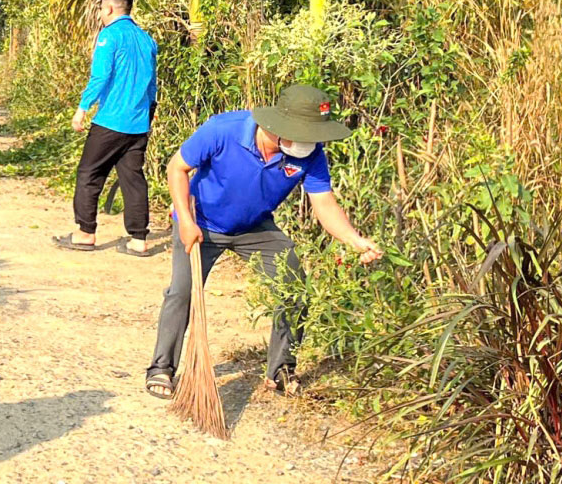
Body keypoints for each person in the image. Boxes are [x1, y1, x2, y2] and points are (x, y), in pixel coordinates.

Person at [146, 84, 384, 400]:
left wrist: (355, 240)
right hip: (200, 223)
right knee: (182, 291)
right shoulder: (223, 130)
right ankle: (162, 367)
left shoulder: (310, 154)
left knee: (294, 283)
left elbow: (324, 203)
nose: (309, 142)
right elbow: (177, 168)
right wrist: (186, 222)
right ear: (277, 126)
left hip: (254, 227)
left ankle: (281, 370)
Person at [58, 0, 159, 256]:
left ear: (110, 9)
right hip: (138, 124)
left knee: (90, 174)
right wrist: (149, 115)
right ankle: (139, 239)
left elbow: (100, 77)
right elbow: (152, 85)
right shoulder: (147, 39)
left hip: (111, 121)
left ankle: (85, 232)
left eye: (102, 9)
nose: (101, 14)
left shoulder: (109, 36)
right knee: (133, 178)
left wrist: (82, 109)